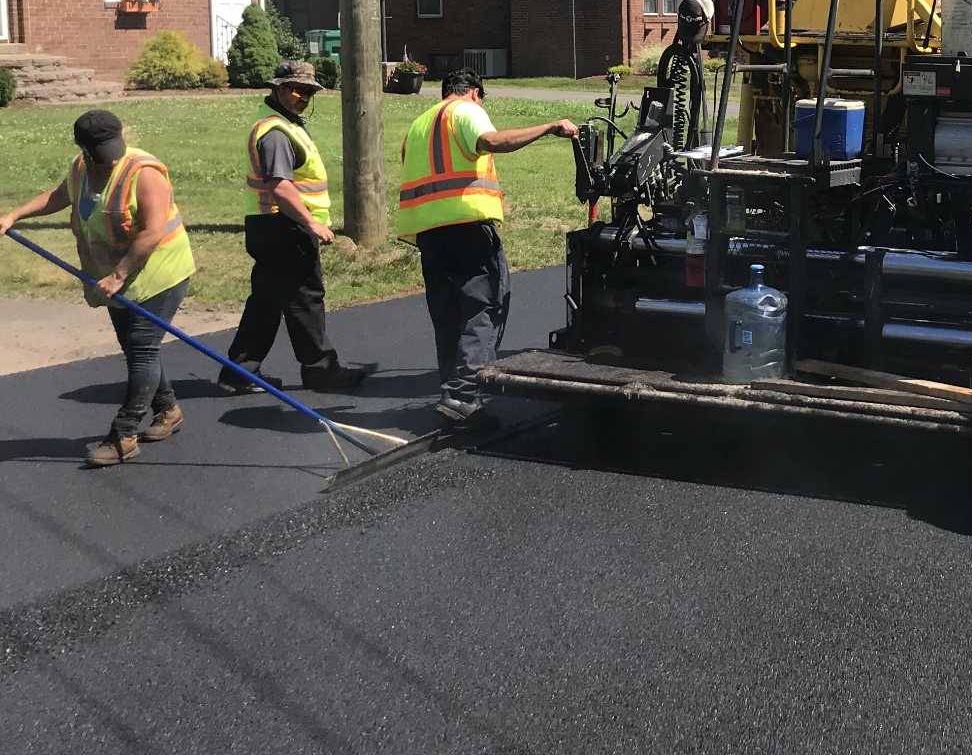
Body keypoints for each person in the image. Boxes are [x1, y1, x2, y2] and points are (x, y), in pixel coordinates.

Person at [0, 110, 197, 466]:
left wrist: (119, 275)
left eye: (114, 146)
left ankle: (123, 434)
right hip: (115, 276)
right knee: (138, 347)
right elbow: (60, 195)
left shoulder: (144, 173)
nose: (112, 155)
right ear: (85, 149)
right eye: (102, 150)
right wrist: (14, 215)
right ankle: (168, 410)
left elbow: (152, 231)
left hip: (160, 273)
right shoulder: (81, 168)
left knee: (141, 349)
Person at [397, 69, 581, 427]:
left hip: (428, 233)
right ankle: (465, 396)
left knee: (448, 312)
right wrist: (548, 127)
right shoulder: (465, 111)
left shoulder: (418, 124)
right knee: (483, 307)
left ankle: (452, 391)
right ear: (475, 93)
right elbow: (493, 141)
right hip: (468, 226)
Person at [223, 61, 371, 395]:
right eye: (295, 89)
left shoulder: (284, 125)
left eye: (308, 91)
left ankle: (239, 371)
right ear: (276, 88)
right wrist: (311, 222)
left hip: (270, 226)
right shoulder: (276, 133)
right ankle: (321, 370)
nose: (302, 96)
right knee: (306, 297)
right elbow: (281, 186)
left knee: (267, 300)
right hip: (285, 227)